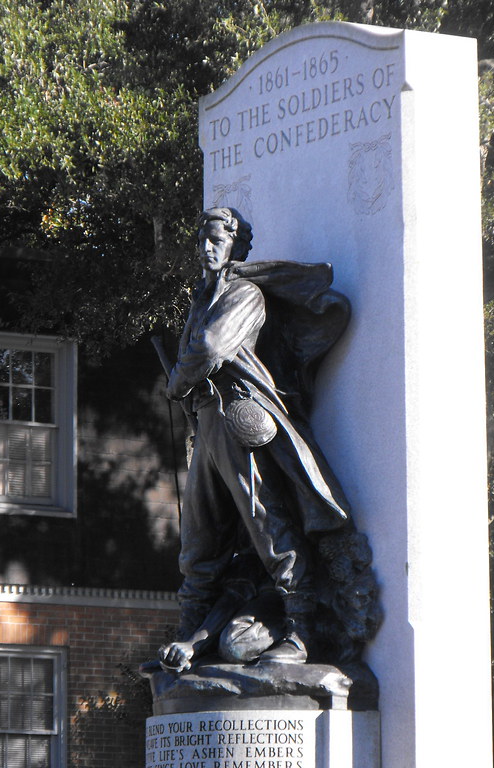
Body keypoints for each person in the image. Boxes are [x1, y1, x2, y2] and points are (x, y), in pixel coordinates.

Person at [159, 207, 374, 671]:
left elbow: (211, 349)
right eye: (203, 240)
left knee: (267, 524)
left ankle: (301, 632)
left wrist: (177, 378)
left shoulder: (246, 295)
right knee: (198, 539)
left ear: (237, 245)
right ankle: (187, 639)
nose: (207, 248)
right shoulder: (202, 297)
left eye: (217, 240)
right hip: (206, 422)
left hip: (238, 418)